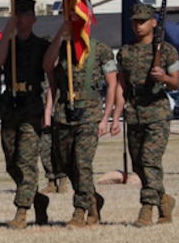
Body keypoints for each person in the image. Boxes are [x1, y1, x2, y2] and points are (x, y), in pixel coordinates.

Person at [44, 18, 122, 227]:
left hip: (89, 114)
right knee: (66, 164)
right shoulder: (61, 47)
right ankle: (93, 199)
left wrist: (106, 117)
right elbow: (47, 65)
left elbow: (112, 84)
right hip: (64, 114)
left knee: (82, 163)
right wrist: (61, 32)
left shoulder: (101, 50)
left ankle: (80, 210)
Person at [118, 2, 179, 227]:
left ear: (154, 22)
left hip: (157, 114)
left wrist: (163, 77)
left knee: (150, 160)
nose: (138, 25)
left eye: (142, 21)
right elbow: (121, 87)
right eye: (135, 21)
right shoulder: (125, 52)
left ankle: (146, 209)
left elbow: (176, 82)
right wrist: (116, 116)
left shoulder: (167, 50)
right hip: (135, 114)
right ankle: (164, 199)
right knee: (139, 165)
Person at [0, 0, 51, 229]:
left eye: (25, 13)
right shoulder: (9, 43)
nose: (21, 18)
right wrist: (7, 31)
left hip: (31, 107)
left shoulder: (41, 45)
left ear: (34, 17)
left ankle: (22, 212)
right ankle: (37, 199)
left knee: (26, 162)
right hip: (11, 107)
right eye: (17, 13)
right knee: (12, 163)